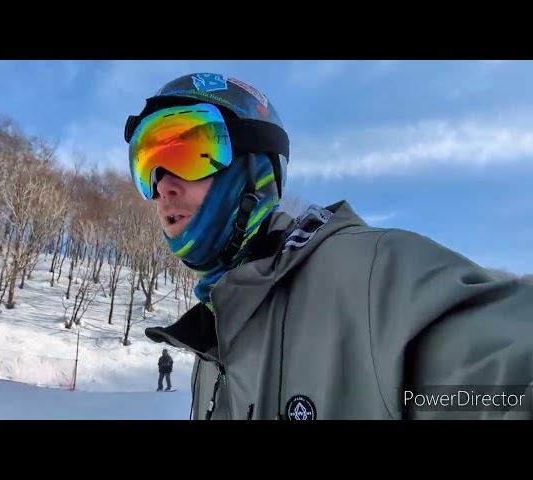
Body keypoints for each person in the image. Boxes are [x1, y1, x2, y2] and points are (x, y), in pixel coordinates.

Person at [124, 72, 533, 419]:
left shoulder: (371, 276)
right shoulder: (214, 336)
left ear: (255, 169)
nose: (163, 185)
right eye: (148, 166)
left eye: (189, 154)